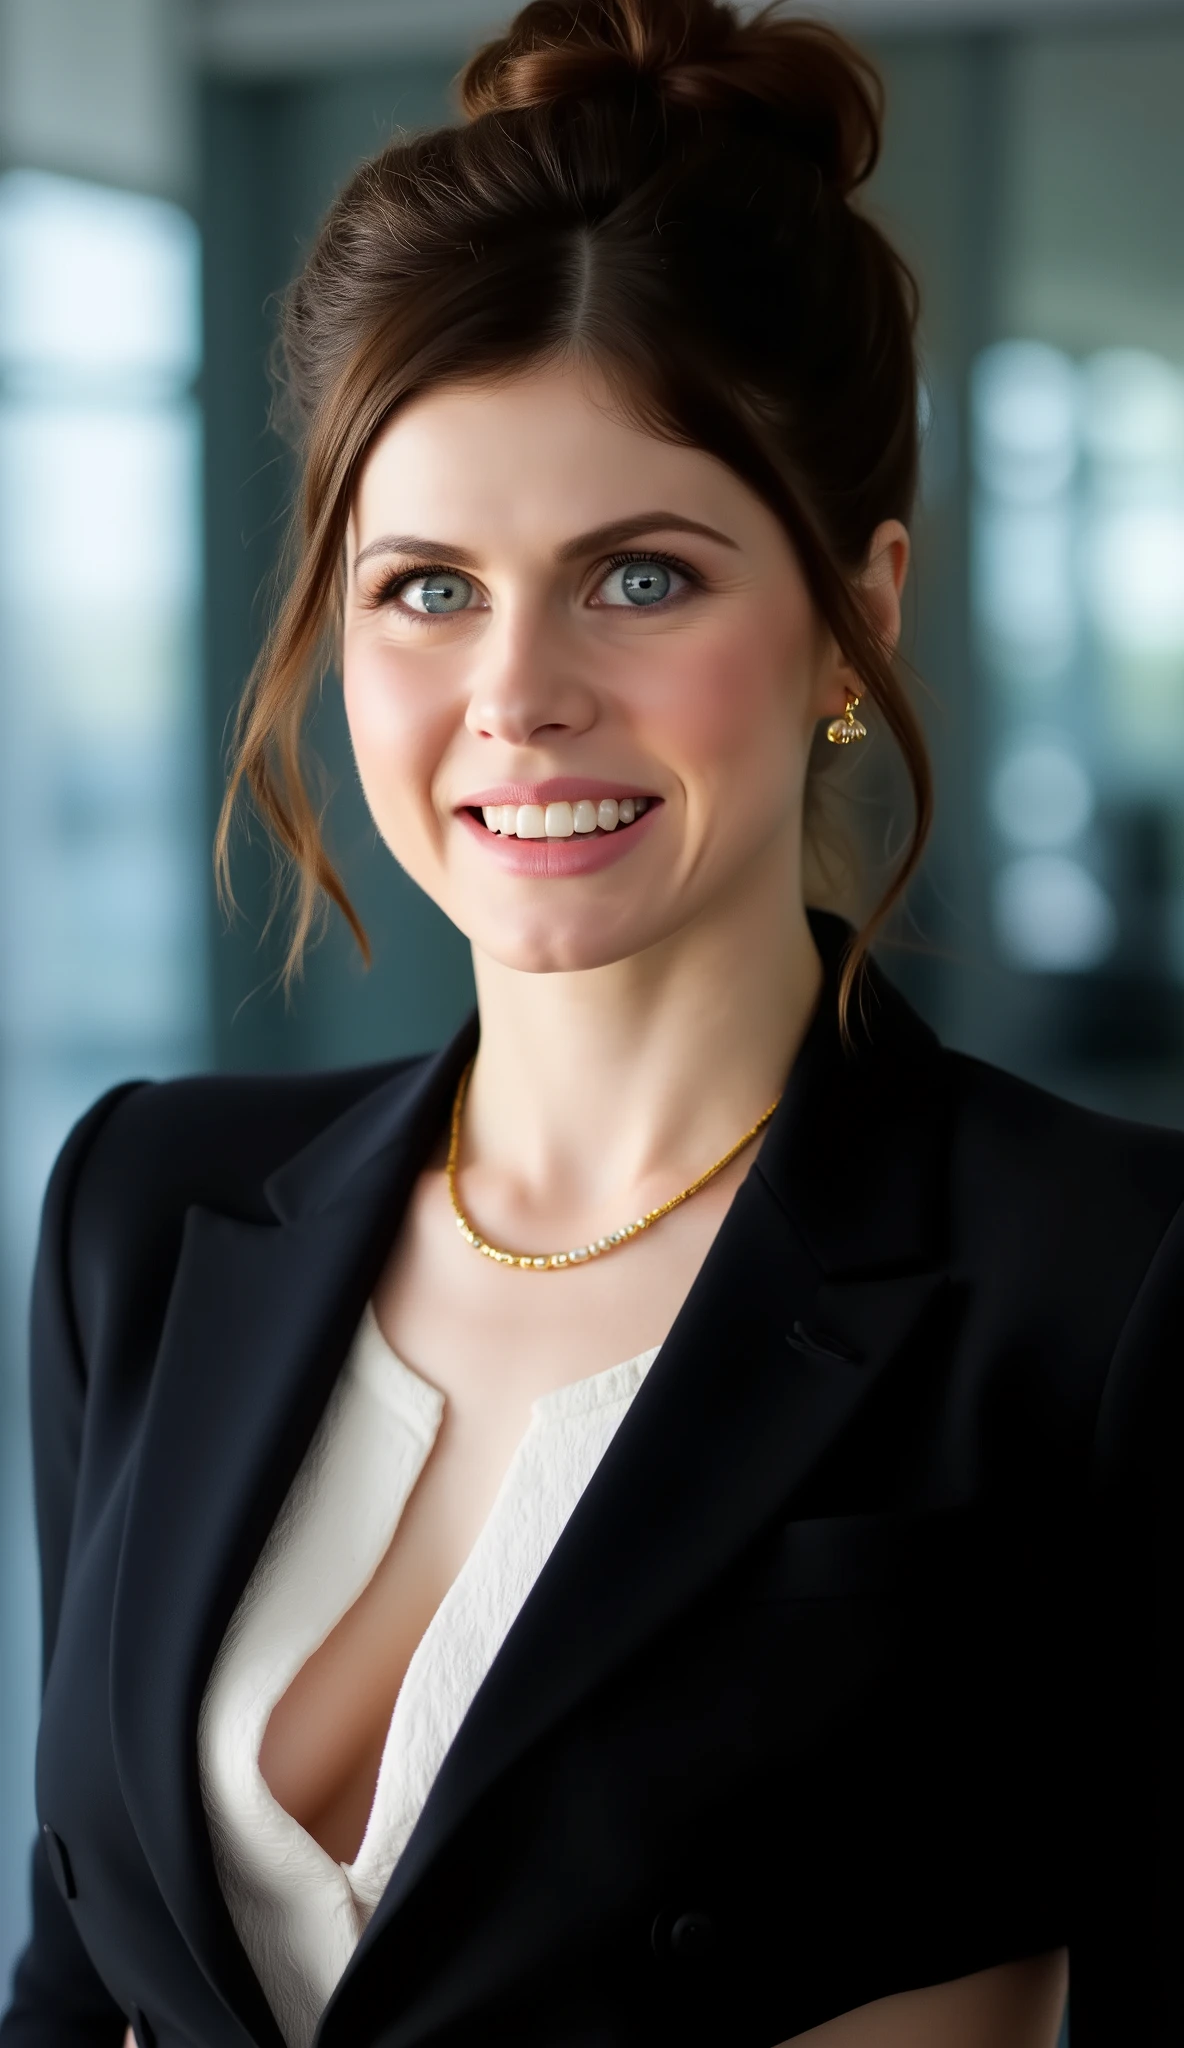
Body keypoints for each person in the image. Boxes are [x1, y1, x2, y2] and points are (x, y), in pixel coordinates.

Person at [2, 2, 1178, 2044]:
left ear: (856, 611)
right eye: (428, 588)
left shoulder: (1107, 1282)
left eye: (638, 577)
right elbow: (71, 1974)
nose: (516, 692)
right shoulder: (146, 1207)